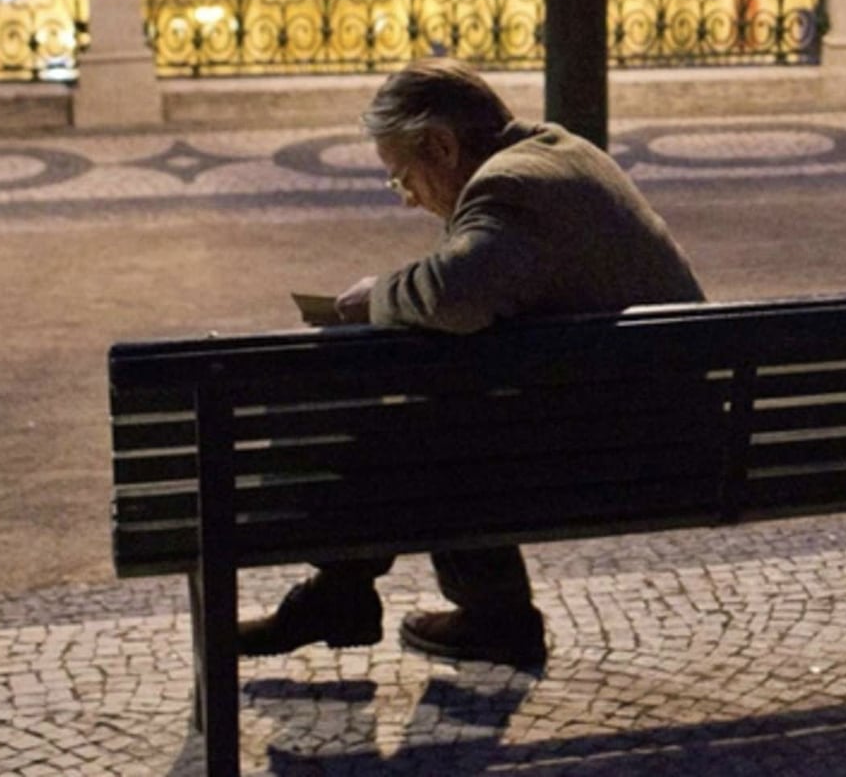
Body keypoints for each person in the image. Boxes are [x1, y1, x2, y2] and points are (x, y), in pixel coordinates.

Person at [237, 58, 705, 667]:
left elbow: (453, 295)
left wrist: (375, 297)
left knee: (429, 437)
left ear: (441, 143)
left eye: (402, 174)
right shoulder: (563, 154)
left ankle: (399, 602)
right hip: (668, 423)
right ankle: (433, 604)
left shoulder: (513, 186)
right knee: (451, 416)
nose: (407, 198)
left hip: (646, 452)